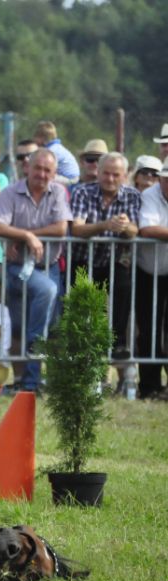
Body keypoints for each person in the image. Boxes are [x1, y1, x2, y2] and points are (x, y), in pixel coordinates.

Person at [0, 149, 71, 393]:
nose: (42, 174)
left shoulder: (57, 193)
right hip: (16, 269)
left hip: (49, 265)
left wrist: (27, 235)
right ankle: (28, 381)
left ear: (54, 174)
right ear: (28, 168)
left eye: (48, 170)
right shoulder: (10, 192)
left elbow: (61, 229)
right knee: (27, 318)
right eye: (38, 168)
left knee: (48, 324)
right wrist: (25, 235)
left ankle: (33, 381)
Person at [68, 152, 140, 359]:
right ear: (98, 173)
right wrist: (105, 225)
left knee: (124, 286)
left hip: (114, 260)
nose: (110, 179)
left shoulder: (132, 195)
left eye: (115, 175)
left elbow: (136, 231)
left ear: (124, 176)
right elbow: (77, 229)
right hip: (83, 259)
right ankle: (78, 347)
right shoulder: (82, 192)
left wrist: (125, 227)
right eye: (106, 173)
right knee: (80, 302)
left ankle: (117, 343)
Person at [135, 157, 168, 399]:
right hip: (148, 271)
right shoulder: (150, 195)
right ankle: (149, 386)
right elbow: (147, 229)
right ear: (161, 179)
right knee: (148, 329)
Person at [32, 121, 80, 185]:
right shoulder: (57, 147)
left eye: (36, 137)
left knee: (44, 177)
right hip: (70, 177)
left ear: (42, 138)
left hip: (70, 179)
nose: (34, 140)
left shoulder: (52, 151)